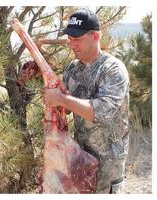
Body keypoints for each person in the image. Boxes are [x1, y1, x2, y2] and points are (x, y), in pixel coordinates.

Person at [42, 8, 130, 194]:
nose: (73, 45)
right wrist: (56, 99)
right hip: (80, 158)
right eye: (71, 40)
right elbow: (65, 107)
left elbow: (100, 112)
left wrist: (62, 99)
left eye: (78, 39)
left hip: (108, 165)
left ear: (95, 36)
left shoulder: (113, 70)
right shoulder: (73, 68)